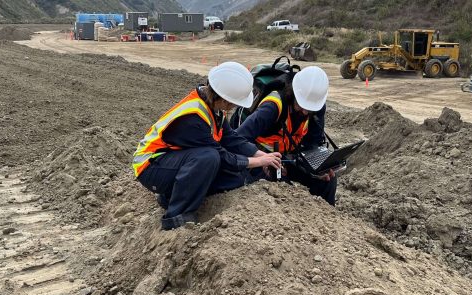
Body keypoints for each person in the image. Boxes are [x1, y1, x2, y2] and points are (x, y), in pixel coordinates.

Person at [131, 62, 282, 230]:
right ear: (225, 99)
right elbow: (223, 157)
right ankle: (177, 218)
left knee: (234, 177)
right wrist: (259, 162)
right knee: (209, 158)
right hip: (151, 167)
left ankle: (169, 197)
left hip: (171, 161)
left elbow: (230, 137)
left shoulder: (213, 106)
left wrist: (259, 154)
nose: (235, 107)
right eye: (234, 102)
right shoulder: (193, 117)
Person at [236, 66, 336, 205]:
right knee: (283, 191)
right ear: (293, 93)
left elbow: (313, 142)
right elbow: (239, 137)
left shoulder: (316, 107)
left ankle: (329, 221)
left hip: (290, 156)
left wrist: (319, 168)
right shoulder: (272, 107)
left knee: (327, 181)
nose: (305, 112)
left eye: (310, 109)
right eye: (300, 105)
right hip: (261, 156)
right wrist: (261, 157)